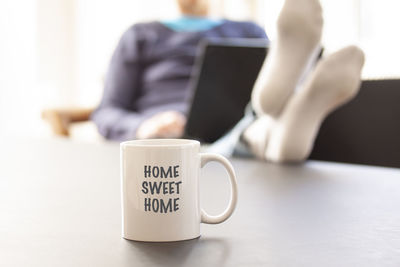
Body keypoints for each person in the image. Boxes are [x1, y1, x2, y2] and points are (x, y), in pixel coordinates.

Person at [93, 0, 365, 163]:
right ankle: (285, 116)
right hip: (173, 143)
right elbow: (106, 112)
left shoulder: (246, 30)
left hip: (234, 123)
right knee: (259, 130)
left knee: (261, 117)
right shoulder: (140, 35)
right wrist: (143, 126)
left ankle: (274, 105)